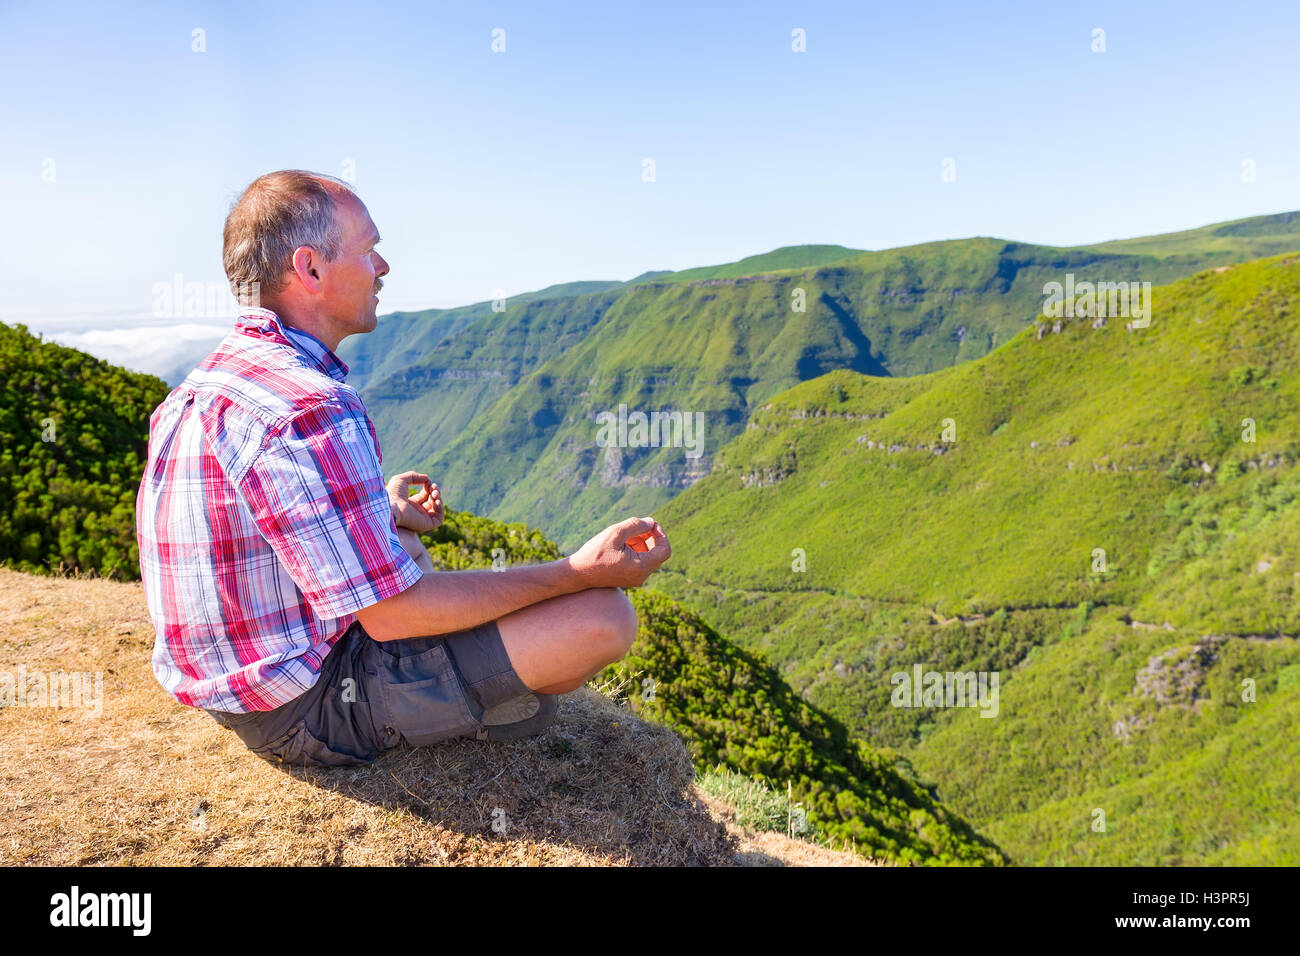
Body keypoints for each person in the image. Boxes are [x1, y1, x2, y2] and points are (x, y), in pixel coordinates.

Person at [136, 169, 671, 767]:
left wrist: (381, 510)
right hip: (302, 707)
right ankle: (470, 702)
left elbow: (251, 520)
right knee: (602, 619)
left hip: (238, 681)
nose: (383, 267)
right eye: (368, 250)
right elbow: (392, 617)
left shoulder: (207, 384)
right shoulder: (309, 406)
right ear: (310, 269)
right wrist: (578, 572)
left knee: (404, 538)